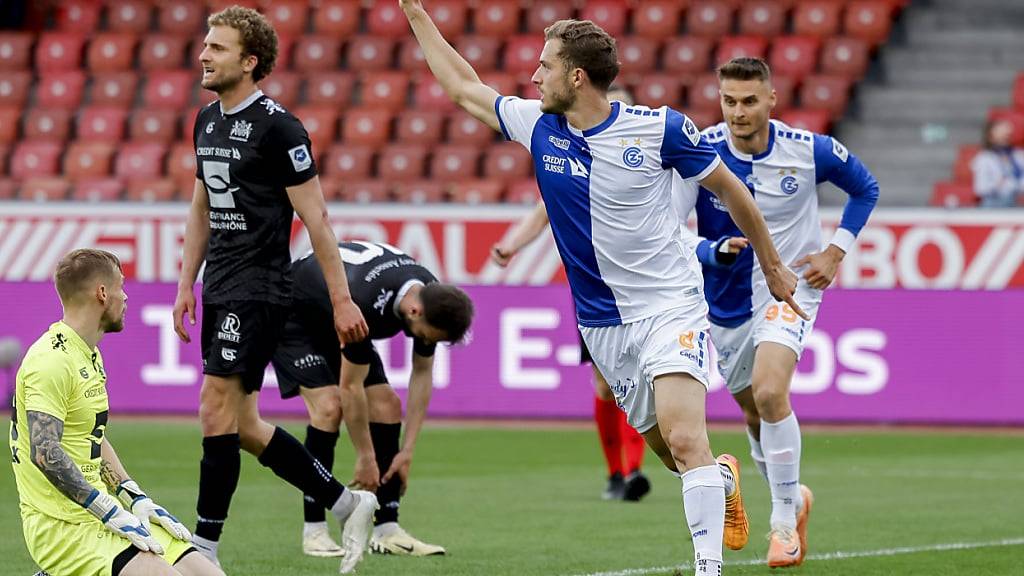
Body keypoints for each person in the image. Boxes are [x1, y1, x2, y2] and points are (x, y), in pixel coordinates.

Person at [401, 3, 807, 573]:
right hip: (603, 324)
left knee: (686, 437)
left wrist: (770, 262)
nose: (533, 77)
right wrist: (415, 12)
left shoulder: (658, 128)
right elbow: (464, 88)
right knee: (671, 453)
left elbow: (731, 189)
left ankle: (707, 568)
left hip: (671, 306)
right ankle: (720, 478)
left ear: (576, 77)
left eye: (544, 66)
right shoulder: (538, 125)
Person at [171, 6, 376, 574]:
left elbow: (317, 219)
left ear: (250, 61)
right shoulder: (206, 120)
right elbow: (201, 207)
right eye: (205, 44)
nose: (204, 54)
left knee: (214, 409)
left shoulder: (280, 127)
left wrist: (340, 299)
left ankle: (204, 551)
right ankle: (347, 502)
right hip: (220, 286)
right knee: (243, 426)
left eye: (217, 47)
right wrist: (186, 283)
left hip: (260, 288)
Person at [677, 57, 879, 567]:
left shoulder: (807, 150)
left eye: (749, 101)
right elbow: (668, 227)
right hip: (725, 304)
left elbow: (865, 188)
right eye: (729, 101)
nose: (739, 112)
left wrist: (835, 251)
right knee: (752, 411)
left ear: (771, 99)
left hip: (790, 287)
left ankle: (782, 522)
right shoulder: (700, 153)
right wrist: (708, 251)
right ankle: (796, 498)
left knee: (771, 392)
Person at [10, 249, 223, 576]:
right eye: (121, 287)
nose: (126, 297)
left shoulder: (88, 355)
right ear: (102, 293)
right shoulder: (49, 360)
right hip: (62, 526)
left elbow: (91, 436)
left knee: (207, 573)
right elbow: (45, 451)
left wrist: (133, 496)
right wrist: (107, 510)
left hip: (100, 513)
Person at [491, 84, 651, 503]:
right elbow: (543, 211)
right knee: (605, 383)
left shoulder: (643, 164)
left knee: (641, 378)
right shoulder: (573, 163)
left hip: (643, 291)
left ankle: (635, 470)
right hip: (595, 295)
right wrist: (512, 244)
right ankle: (617, 472)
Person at [273, 241, 474, 558]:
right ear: (414, 311)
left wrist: (406, 451)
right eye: (425, 335)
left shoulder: (431, 296)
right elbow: (350, 388)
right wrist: (365, 457)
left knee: (387, 406)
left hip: (337, 309)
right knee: (329, 407)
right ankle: (314, 531)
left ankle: (387, 530)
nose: (424, 342)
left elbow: (422, 373)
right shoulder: (366, 303)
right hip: (295, 313)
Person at [971, 118, 1024, 207]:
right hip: (993, 204)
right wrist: (998, 184)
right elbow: (980, 188)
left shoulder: (1017, 155)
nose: (1006, 134)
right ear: (990, 135)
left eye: (1007, 133)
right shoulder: (984, 158)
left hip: (1015, 202)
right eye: (1000, 130)